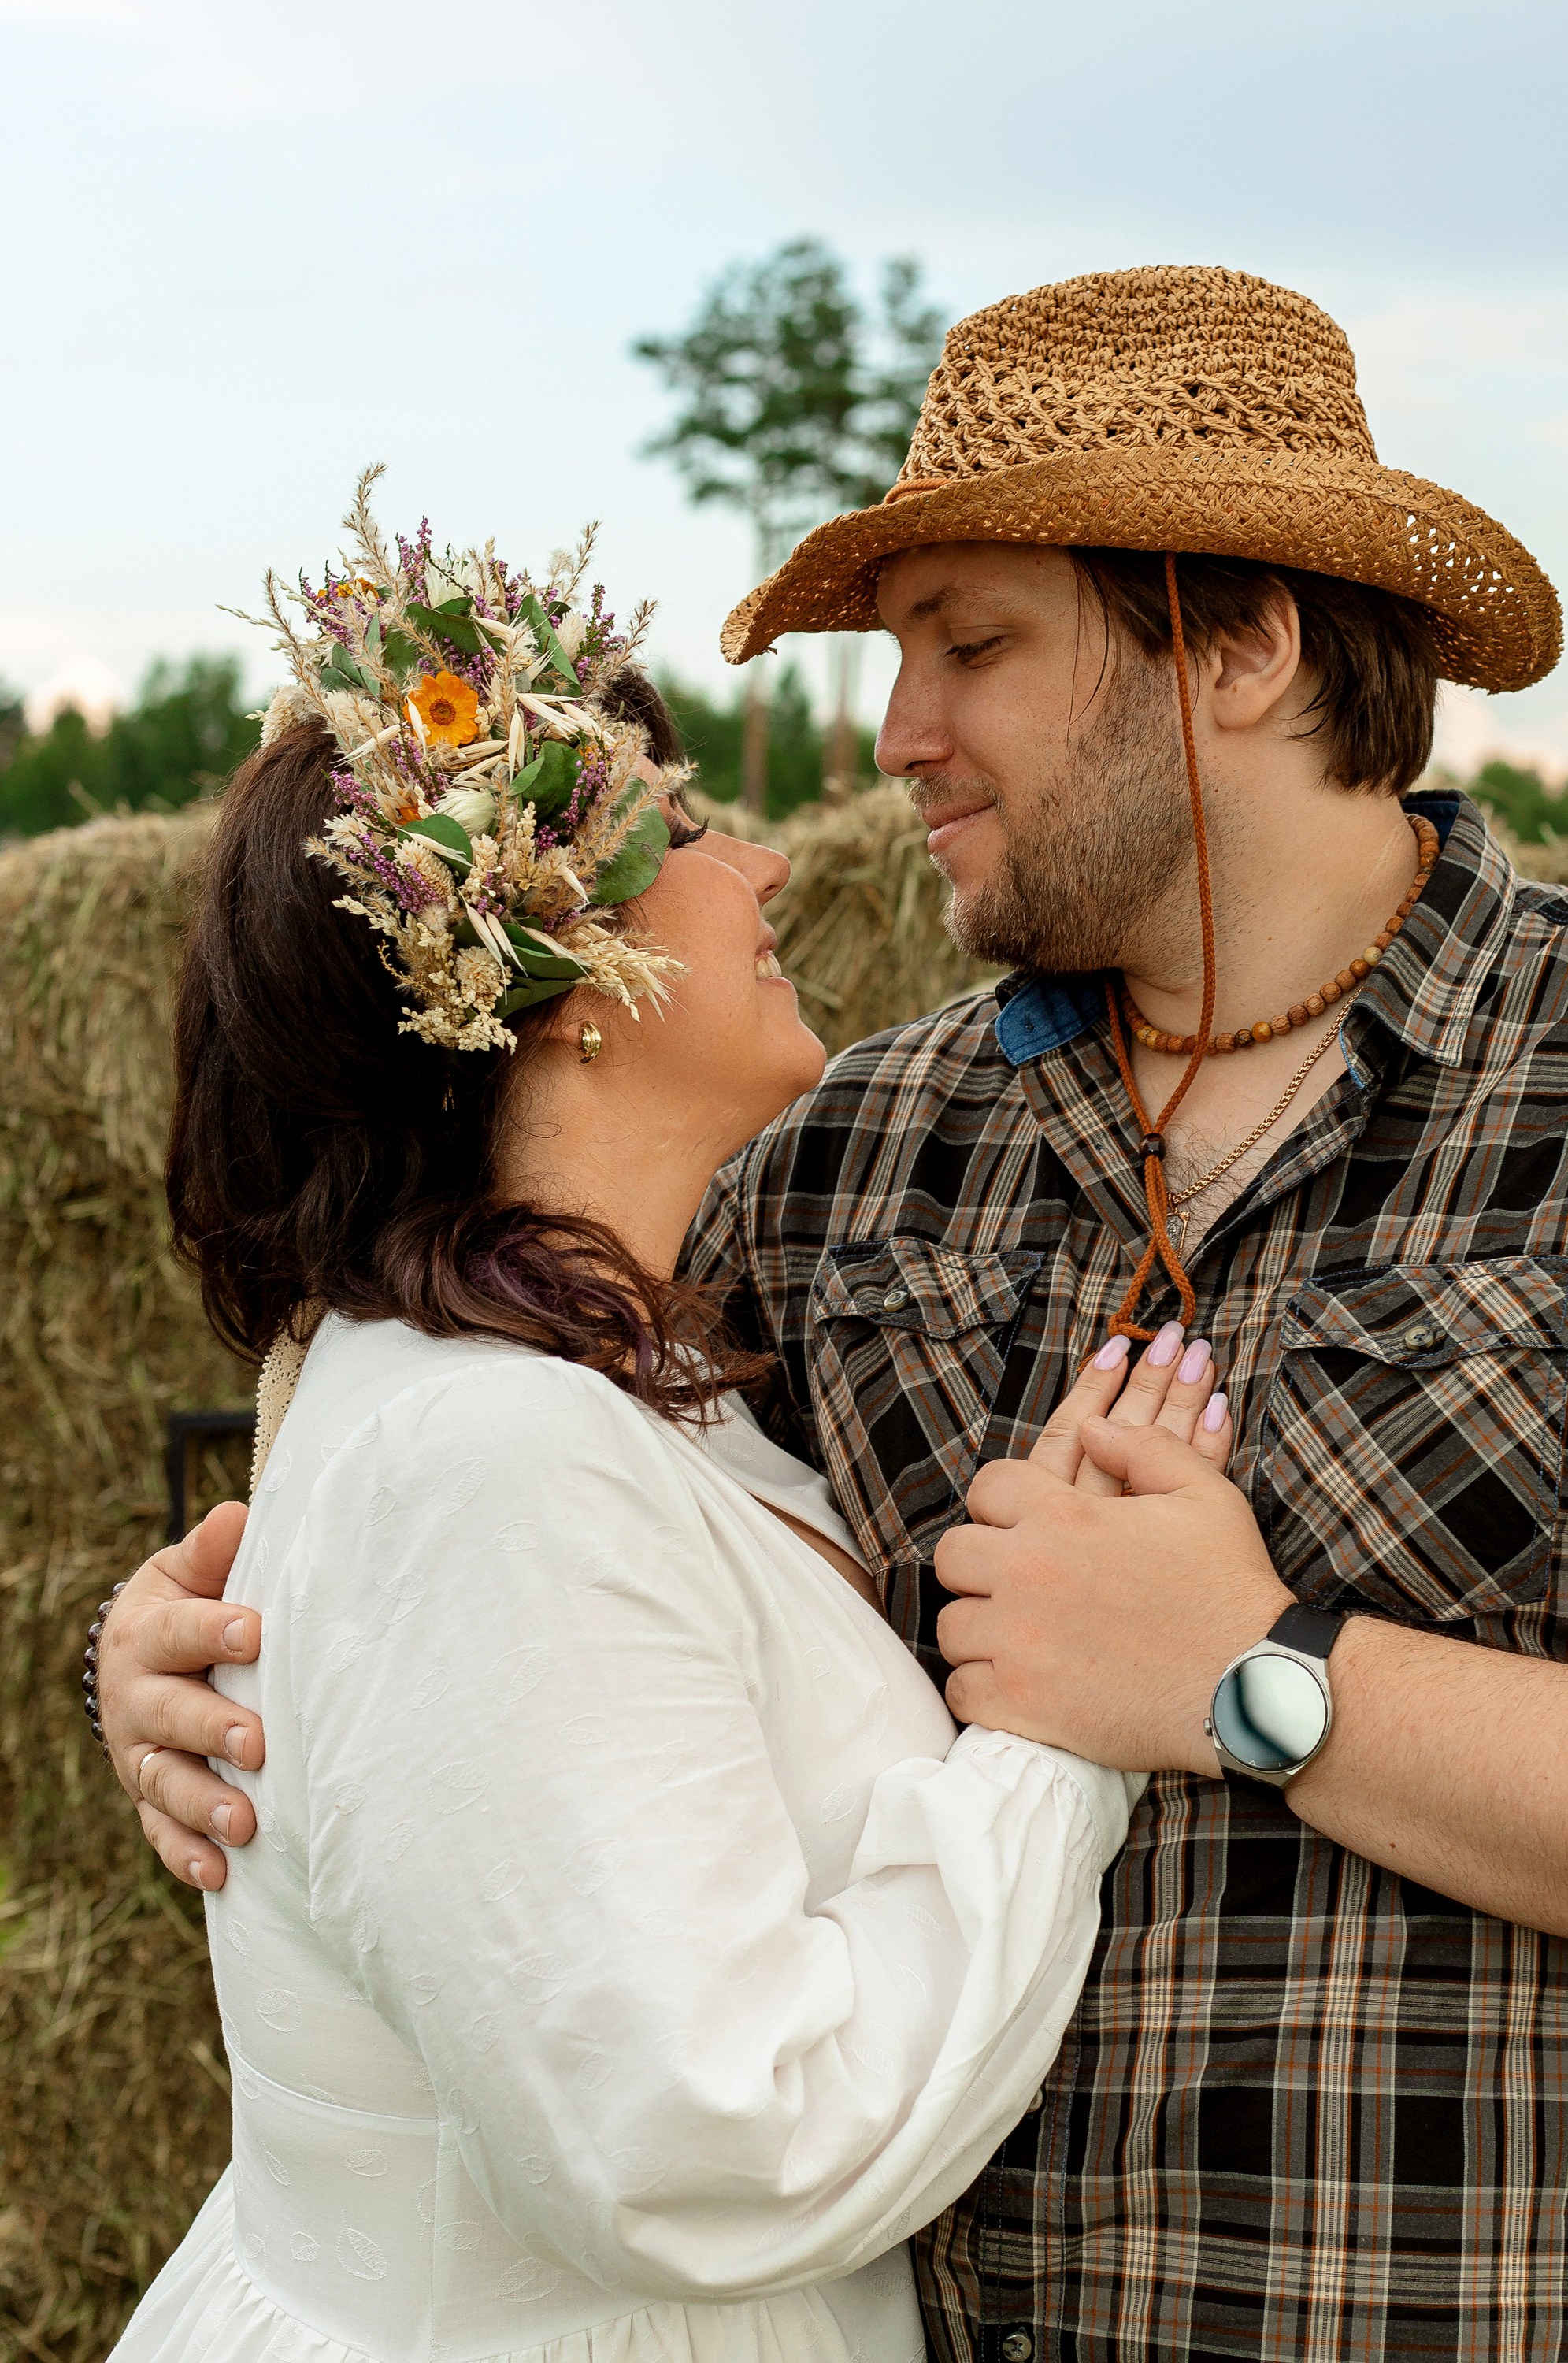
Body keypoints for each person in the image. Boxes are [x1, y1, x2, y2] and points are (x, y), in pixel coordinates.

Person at [103, 268, 1568, 2361]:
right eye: (896, 655)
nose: (897, 736)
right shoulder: (851, 1161)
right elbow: (562, 1580)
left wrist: (1259, 1676)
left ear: (1239, 643)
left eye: (973, 645)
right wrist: (221, 1659)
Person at [101, 485, 1236, 2363]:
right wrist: (1060, 1734)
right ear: (568, 984)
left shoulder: (611, 1377)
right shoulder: (494, 1459)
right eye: (693, 836)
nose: (769, 865)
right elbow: (705, 2148)